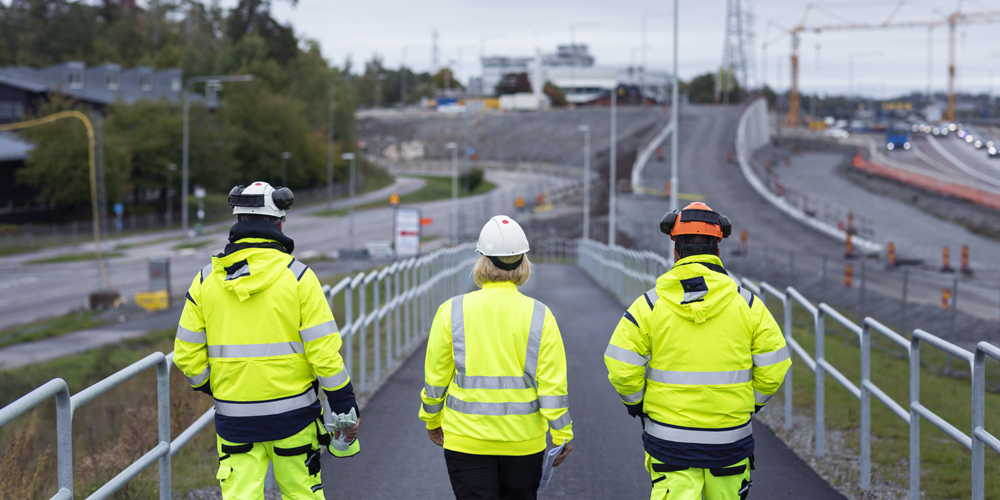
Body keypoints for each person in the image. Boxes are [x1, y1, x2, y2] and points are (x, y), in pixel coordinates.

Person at [173, 181, 360, 500]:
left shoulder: (206, 279)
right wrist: (343, 404)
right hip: (295, 419)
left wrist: (214, 386)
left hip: (235, 419)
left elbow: (186, 354)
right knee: (302, 494)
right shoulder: (300, 277)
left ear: (238, 222)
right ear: (279, 223)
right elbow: (324, 354)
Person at [604, 202, 791, 500]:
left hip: (669, 442)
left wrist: (637, 403)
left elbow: (621, 366)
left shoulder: (649, 306)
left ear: (675, 251)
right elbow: (775, 366)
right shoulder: (750, 306)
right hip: (730, 442)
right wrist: (750, 405)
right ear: (718, 250)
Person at [419, 215, 573, 500]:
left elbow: (436, 379)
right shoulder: (540, 315)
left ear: (481, 259)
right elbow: (552, 385)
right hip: (524, 443)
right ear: (523, 261)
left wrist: (431, 419)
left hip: (466, 442)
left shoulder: (451, 311)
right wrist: (562, 433)